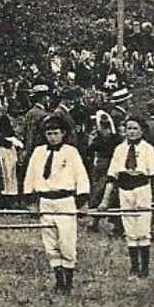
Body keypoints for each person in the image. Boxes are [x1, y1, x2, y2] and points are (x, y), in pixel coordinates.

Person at [23, 114, 91, 294]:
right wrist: (31, 201)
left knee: (66, 242)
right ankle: (59, 281)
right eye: (49, 134)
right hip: (46, 201)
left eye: (55, 133)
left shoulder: (71, 152)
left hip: (65, 201)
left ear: (63, 134)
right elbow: (30, 176)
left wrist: (82, 201)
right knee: (50, 243)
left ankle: (68, 282)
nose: (52, 137)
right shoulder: (38, 152)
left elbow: (81, 176)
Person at [102, 117, 154, 279]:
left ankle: (145, 268)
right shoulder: (119, 150)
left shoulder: (148, 149)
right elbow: (111, 177)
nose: (132, 132)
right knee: (130, 229)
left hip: (142, 189)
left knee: (142, 228)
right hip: (124, 190)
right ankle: (134, 267)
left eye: (135, 129)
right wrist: (104, 201)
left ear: (142, 131)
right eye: (129, 129)